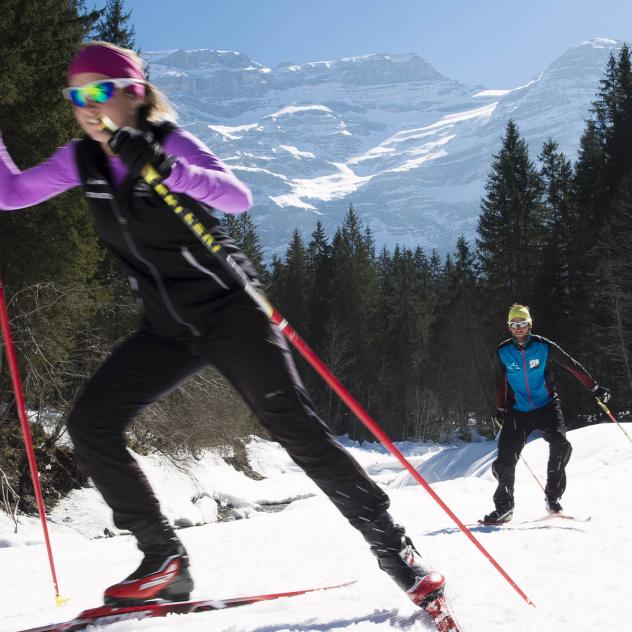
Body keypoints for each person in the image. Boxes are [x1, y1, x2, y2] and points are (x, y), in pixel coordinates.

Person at [0, 42, 446, 608]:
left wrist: (166, 169)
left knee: (299, 433)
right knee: (90, 422)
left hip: (231, 312)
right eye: (74, 95)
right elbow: (11, 193)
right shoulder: (80, 160)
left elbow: (236, 196)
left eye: (97, 91)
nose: (84, 105)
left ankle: (397, 551)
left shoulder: (168, 141)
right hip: (166, 329)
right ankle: (163, 560)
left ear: (133, 93)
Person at [482, 304, 610, 524]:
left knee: (561, 445)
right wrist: (501, 409)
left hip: (547, 406)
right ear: (509, 327)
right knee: (504, 459)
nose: (519, 328)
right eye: (514, 324)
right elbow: (500, 383)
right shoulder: (503, 351)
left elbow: (572, 365)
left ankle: (552, 498)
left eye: (522, 323)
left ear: (530, 324)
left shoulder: (543, 346)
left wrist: (595, 388)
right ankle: (504, 508)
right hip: (518, 411)